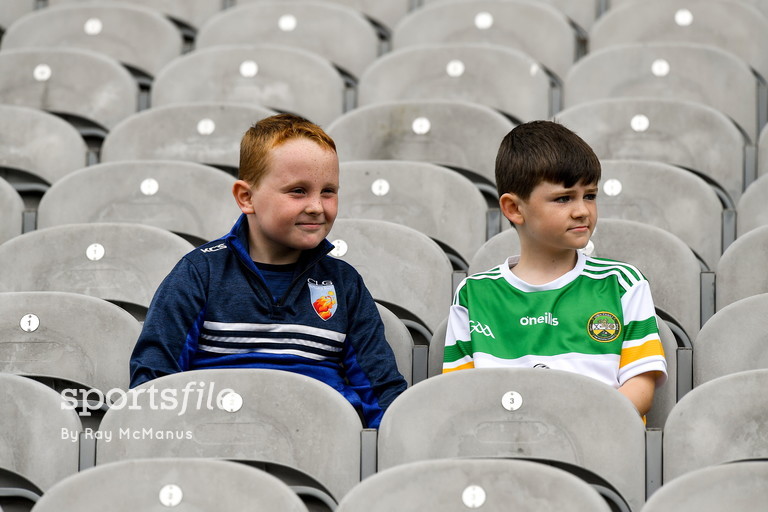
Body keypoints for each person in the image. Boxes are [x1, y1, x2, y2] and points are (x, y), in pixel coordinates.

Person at [130, 113, 407, 428]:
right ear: (246, 197)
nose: (317, 206)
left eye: (328, 191)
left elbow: (381, 393)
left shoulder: (344, 284)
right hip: (213, 438)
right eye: (298, 191)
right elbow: (153, 383)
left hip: (319, 448)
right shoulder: (199, 274)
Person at [443, 120, 667, 417]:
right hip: (504, 445)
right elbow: (459, 396)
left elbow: (640, 389)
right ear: (513, 209)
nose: (582, 210)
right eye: (563, 198)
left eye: (589, 195)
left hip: (599, 447)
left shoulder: (622, 283)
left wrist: (573, 428)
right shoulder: (475, 294)